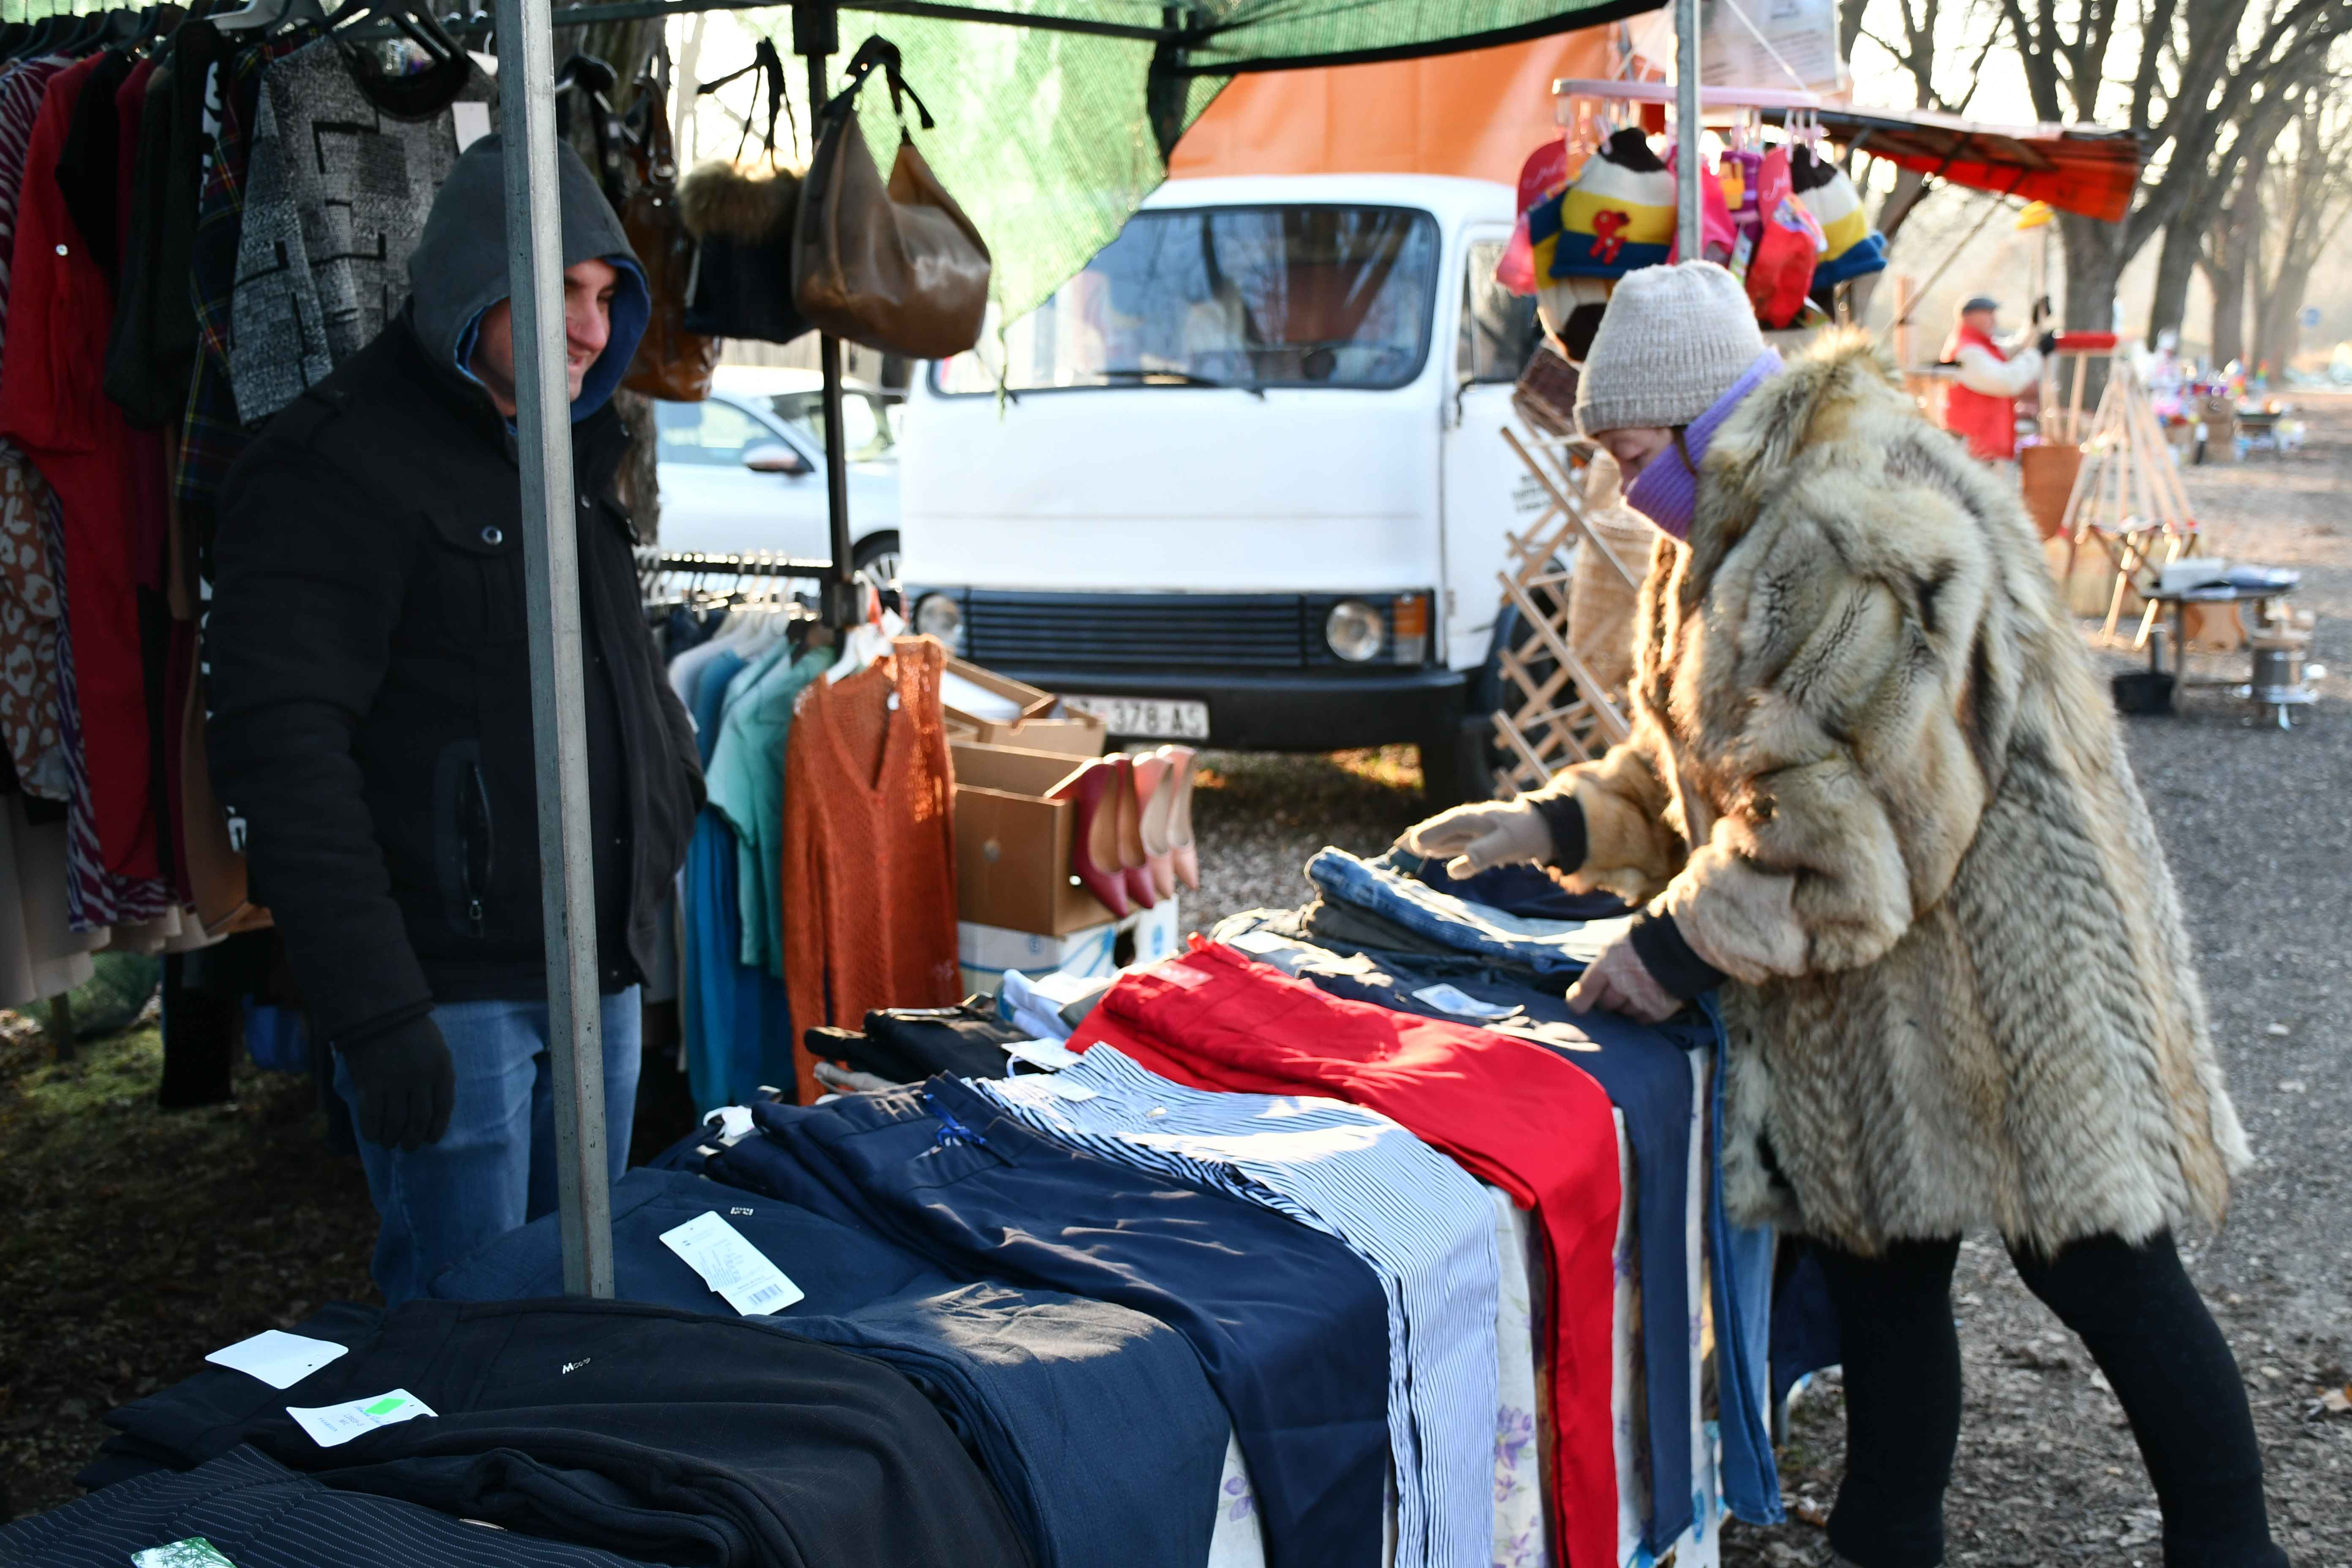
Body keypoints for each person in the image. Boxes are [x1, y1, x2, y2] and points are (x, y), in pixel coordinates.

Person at [1400, 262, 2280, 1568]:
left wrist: (1671, 942)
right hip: (1877, 1004)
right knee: (1879, 1279)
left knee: (2099, 1266)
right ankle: (1883, 1538)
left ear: (1701, 416)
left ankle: (2230, 1551)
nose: (1614, 478)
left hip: (2013, 973)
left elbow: (1842, 821)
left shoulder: (1840, 525)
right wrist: (1558, 822)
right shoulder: (1726, 527)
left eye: (1626, 447)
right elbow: (1718, 762)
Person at [206, 137, 703, 1304]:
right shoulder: (331, 465)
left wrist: (667, 808)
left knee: (585, 1315)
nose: (589, 329)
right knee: (465, 1328)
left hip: (603, 975)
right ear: (474, 281)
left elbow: (623, 678)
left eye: (605, 297)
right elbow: (283, 754)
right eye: (558, 293)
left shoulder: (577, 452)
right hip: (454, 996)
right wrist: (376, 1010)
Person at [1939, 293, 2054, 462]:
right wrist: (2036, 354)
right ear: (1970, 317)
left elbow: (2013, 349)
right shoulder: (1967, 351)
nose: (1994, 320)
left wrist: (2034, 324)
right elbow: (2006, 382)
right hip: (1975, 450)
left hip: (1981, 447)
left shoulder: (1977, 345)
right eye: (1989, 315)